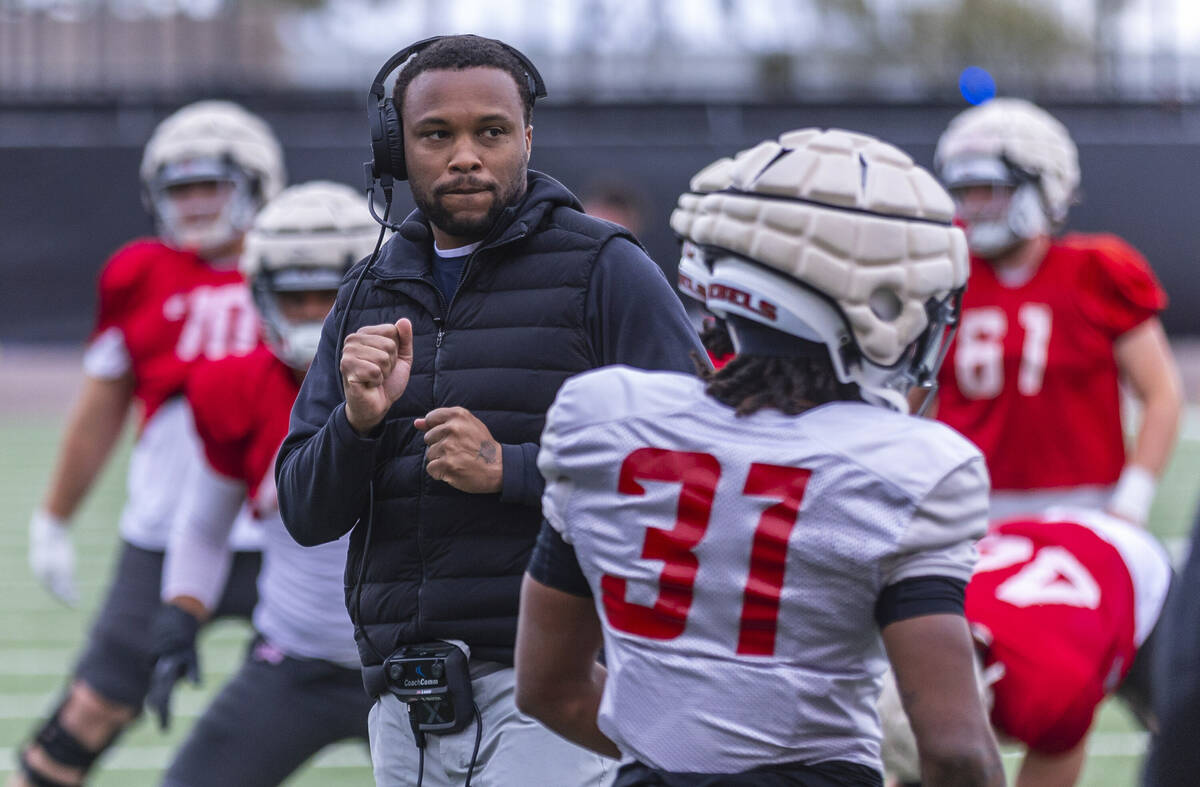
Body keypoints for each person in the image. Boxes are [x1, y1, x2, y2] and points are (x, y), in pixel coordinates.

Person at [274, 34, 704, 787]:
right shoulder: (365, 292)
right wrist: (357, 424)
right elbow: (305, 511)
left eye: (491, 132)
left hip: (561, 687)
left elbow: (700, 466)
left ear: (527, 139)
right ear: (396, 151)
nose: (465, 155)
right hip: (404, 702)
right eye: (437, 134)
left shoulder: (607, 269)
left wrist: (512, 470)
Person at [514, 128, 1005, 787]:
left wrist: (682, 749)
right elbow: (955, 749)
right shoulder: (907, 465)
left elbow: (548, 687)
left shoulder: (606, 417)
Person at [16, 100, 284, 787]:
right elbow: (102, 405)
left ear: (257, 182)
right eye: (178, 189)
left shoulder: (301, 259)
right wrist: (55, 514)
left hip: (291, 531)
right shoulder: (140, 273)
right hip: (167, 532)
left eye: (210, 185)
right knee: (92, 707)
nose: (193, 204)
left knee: (372, 698)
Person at [141, 182, 379, 786]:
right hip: (292, 659)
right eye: (293, 296)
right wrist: (182, 615)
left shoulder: (430, 378)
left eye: (328, 295)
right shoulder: (237, 388)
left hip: (409, 664)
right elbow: (206, 519)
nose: (308, 315)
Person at [932, 97, 1182, 525]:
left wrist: (1131, 502)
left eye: (990, 190)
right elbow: (911, 404)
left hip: (1084, 509)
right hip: (968, 511)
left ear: (1044, 185)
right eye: (964, 191)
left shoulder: (1098, 270)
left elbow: (1161, 394)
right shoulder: (943, 276)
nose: (974, 205)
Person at [879, 507, 1171, 787]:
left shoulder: (1050, 692)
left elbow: (1054, 760)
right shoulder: (901, 609)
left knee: (1182, 742)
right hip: (1033, 540)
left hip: (1129, 571)